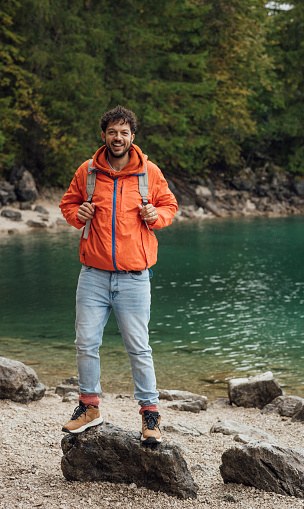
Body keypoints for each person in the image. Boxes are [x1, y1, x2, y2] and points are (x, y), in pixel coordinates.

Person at [59, 105, 178, 443]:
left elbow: (170, 206)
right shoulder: (88, 171)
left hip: (134, 278)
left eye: (124, 132)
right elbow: (68, 205)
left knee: (139, 348)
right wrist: (77, 214)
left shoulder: (149, 173)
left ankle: (150, 415)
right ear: (103, 135)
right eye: (112, 131)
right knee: (85, 343)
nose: (118, 137)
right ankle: (89, 406)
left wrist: (155, 214)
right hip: (92, 275)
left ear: (132, 137)